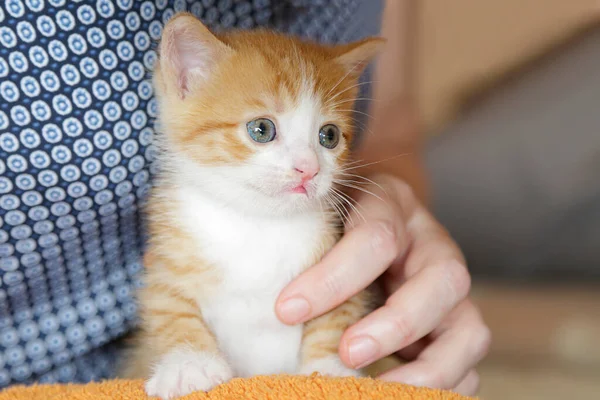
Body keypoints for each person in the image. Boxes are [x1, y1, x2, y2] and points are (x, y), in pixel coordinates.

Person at [0, 0, 489, 395]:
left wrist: (390, 213)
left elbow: (390, 136)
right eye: (262, 129)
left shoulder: (318, 220)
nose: (307, 165)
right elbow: (170, 304)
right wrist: (188, 353)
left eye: (327, 137)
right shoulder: (183, 217)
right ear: (186, 80)